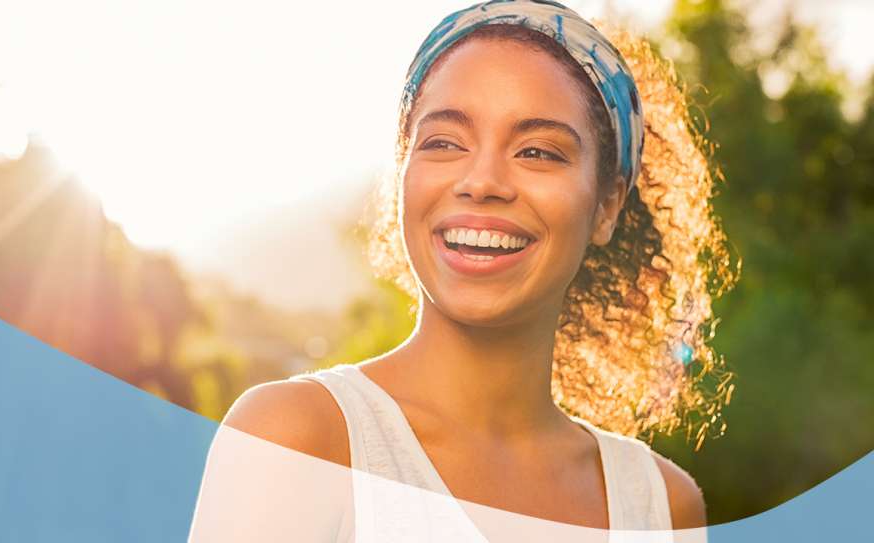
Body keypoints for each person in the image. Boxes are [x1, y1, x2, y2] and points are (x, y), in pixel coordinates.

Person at [190, 1, 735, 541]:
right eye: (444, 142)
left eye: (538, 152)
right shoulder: (295, 440)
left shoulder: (661, 506)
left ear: (607, 207)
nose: (482, 181)